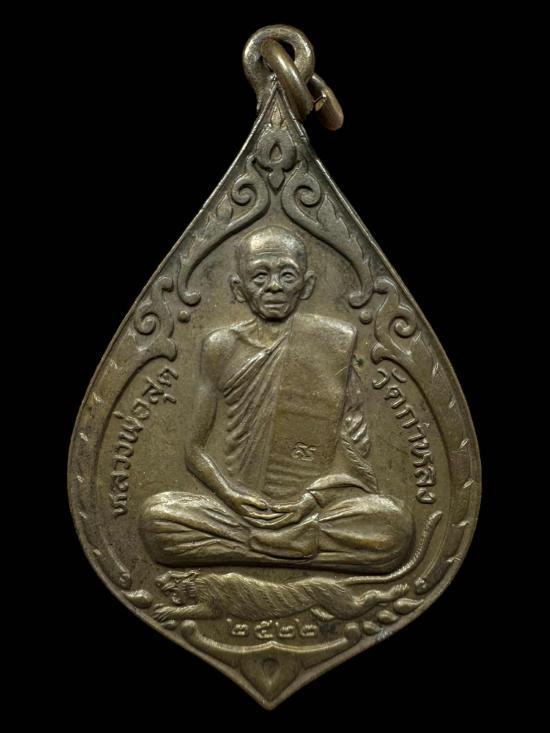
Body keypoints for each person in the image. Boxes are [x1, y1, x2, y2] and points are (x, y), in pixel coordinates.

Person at [139, 225, 414, 572]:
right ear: (238, 288)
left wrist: (310, 501)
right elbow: (193, 450)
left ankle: (252, 546)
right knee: (157, 517)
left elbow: (355, 461)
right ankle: (289, 546)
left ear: (306, 285)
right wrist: (232, 496)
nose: (273, 286)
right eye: (260, 276)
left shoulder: (331, 345)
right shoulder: (220, 347)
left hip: (310, 511)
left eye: (287, 275)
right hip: (236, 509)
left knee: (395, 524)